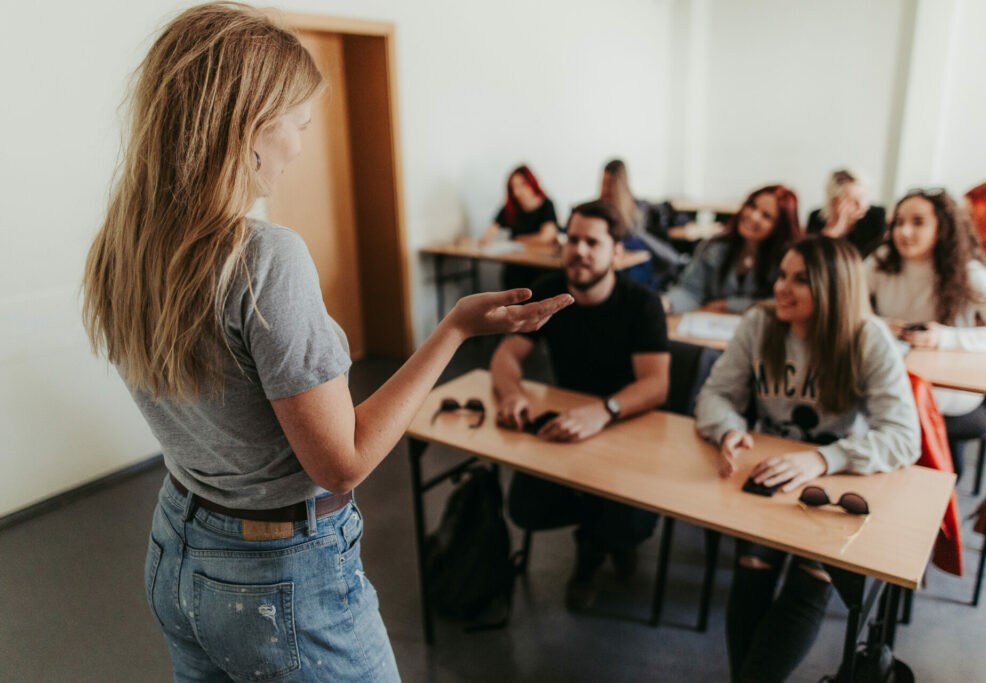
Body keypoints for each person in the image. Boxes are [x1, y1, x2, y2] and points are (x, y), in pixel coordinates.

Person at [81, 5, 572, 680]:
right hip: (277, 579)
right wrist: (454, 328)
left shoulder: (122, 248)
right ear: (252, 123)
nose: (302, 145)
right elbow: (341, 463)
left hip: (177, 549)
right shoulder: (263, 259)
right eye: (300, 124)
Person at [695, 235, 920, 683]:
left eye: (800, 280)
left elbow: (903, 436)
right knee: (753, 569)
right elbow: (716, 394)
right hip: (769, 473)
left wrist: (824, 459)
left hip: (837, 477)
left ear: (834, 289)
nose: (781, 287)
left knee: (808, 582)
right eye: (782, 274)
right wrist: (729, 428)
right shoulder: (760, 323)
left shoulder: (867, 337)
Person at [490, 200, 670, 611]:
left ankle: (592, 553)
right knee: (524, 507)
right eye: (573, 239)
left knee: (630, 522)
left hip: (627, 427)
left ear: (617, 252)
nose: (580, 250)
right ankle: (600, 532)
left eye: (593, 242)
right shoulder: (552, 291)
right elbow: (505, 356)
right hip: (566, 429)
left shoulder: (642, 304)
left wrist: (604, 411)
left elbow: (656, 385)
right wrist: (513, 394)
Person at [865, 188, 986, 476]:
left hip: (945, 390)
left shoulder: (968, 271)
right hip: (891, 376)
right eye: (898, 222)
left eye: (918, 222)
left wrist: (945, 336)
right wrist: (881, 323)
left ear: (943, 227)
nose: (904, 231)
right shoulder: (881, 260)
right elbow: (849, 306)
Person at [665, 185, 802, 314]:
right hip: (710, 327)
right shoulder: (714, 247)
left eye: (766, 215)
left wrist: (728, 304)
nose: (753, 216)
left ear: (780, 227)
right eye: (752, 206)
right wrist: (666, 303)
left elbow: (781, 302)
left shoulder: (788, 260)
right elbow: (690, 290)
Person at [600, 158, 685, 291]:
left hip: (631, 258)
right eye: (604, 183)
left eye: (608, 183)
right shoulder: (603, 207)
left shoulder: (633, 209)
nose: (605, 188)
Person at [479, 165, 559, 290]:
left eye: (522, 185)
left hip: (539, 267)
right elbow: (488, 235)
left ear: (531, 183)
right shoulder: (510, 208)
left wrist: (517, 240)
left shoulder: (546, 205)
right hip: (516, 267)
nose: (517, 192)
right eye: (513, 187)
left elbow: (546, 237)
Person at [806, 168, 887, 257]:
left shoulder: (876, 216)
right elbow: (813, 258)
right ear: (834, 201)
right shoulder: (817, 217)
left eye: (863, 197)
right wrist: (834, 228)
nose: (861, 205)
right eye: (852, 200)